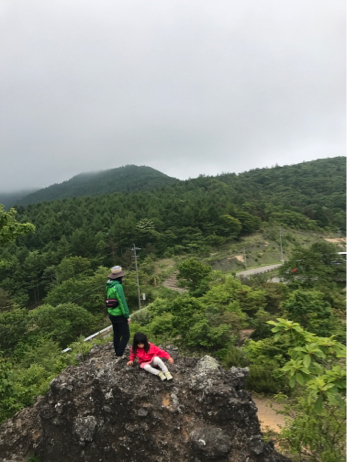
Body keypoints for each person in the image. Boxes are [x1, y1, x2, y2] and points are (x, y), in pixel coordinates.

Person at [106, 265, 131, 357]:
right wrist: (127, 316)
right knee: (126, 335)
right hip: (119, 314)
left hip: (111, 313)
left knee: (116, 333)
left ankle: (117, 352)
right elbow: (122, 301)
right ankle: (119, 354)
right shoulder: (118, 286)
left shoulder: (108, 285)